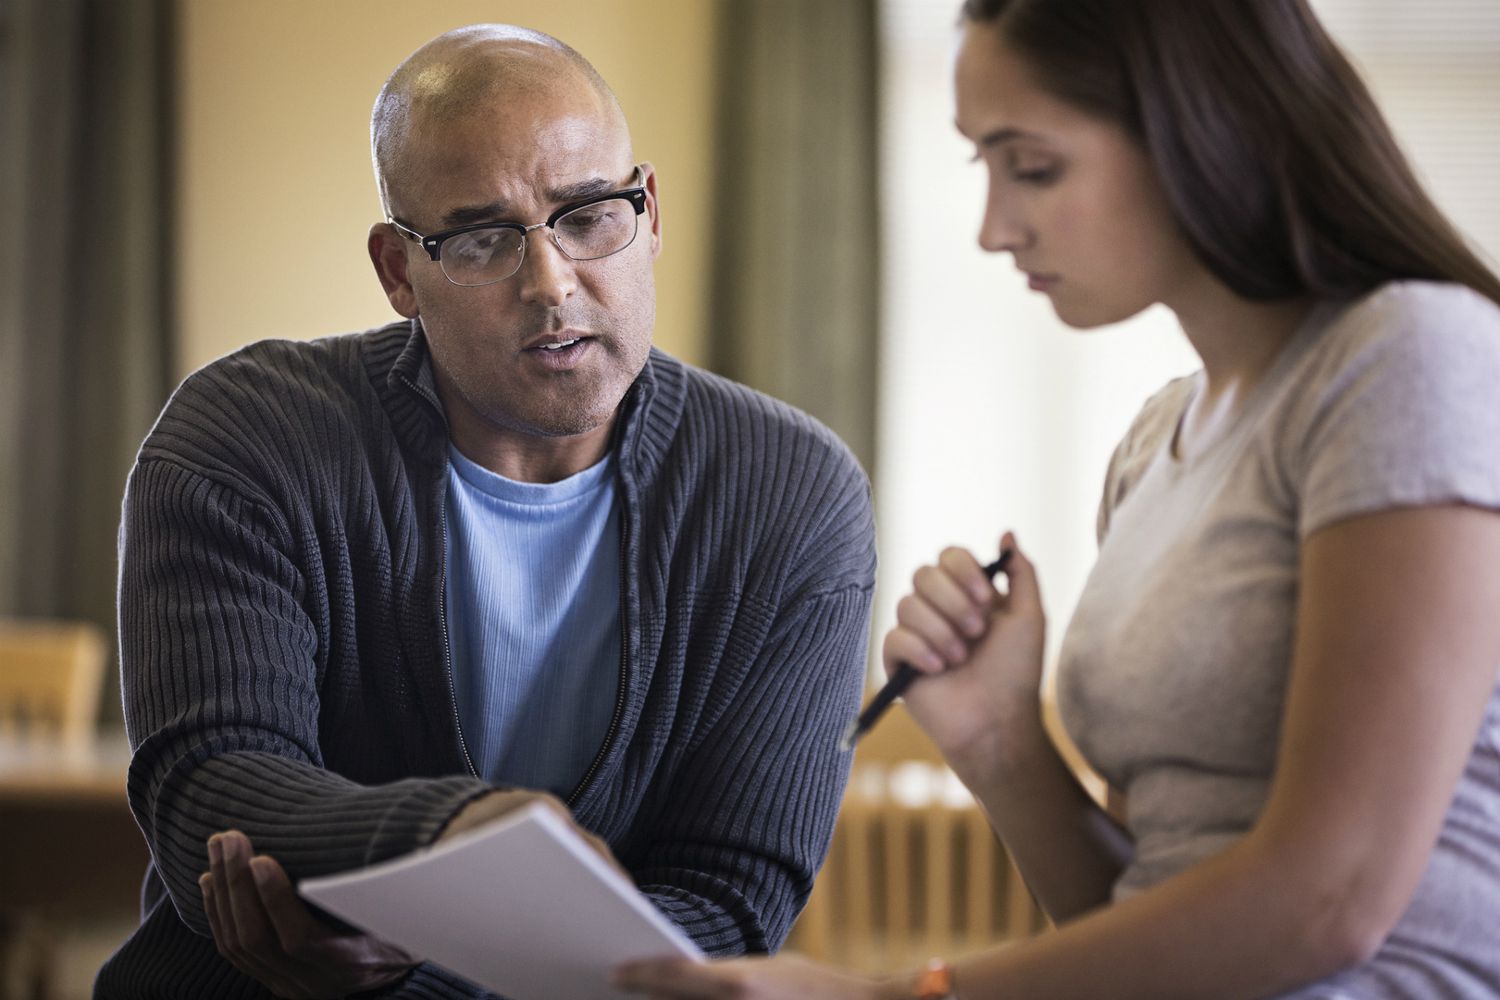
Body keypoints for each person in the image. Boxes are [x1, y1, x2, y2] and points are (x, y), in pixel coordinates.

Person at [614, 1, 1500, 998]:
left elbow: (1329, 898)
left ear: (1197, 126)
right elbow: (1140, 930)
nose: (995, 228)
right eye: (981, 168)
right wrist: (1003, 741)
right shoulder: (1153, 449)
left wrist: (893, 993)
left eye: (1030, 166)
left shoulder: (1410, 357)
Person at [96, 24, 876, 1000]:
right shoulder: (247, 438)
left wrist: (414, 962)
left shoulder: (791, 493)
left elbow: (732, 900)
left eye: (589, 215)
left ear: (651, 209)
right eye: (480, 239)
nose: (551, 283)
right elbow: (211, 791)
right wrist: (457, 837)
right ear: (396, 272)